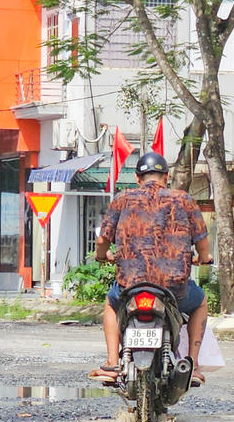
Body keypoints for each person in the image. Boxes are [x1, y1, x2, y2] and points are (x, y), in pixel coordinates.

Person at [90, 151, 211, 385]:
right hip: (174, 288)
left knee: (111, 304)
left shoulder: (122, 199)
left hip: (130, 287)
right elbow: (202, 242)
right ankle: (193, 365)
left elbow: (102, 240)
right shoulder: (183, 199)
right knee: (200, 302)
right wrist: (204, 257)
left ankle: (112, 363)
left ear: (137, 178)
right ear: (166, 177)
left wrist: (102, 256)